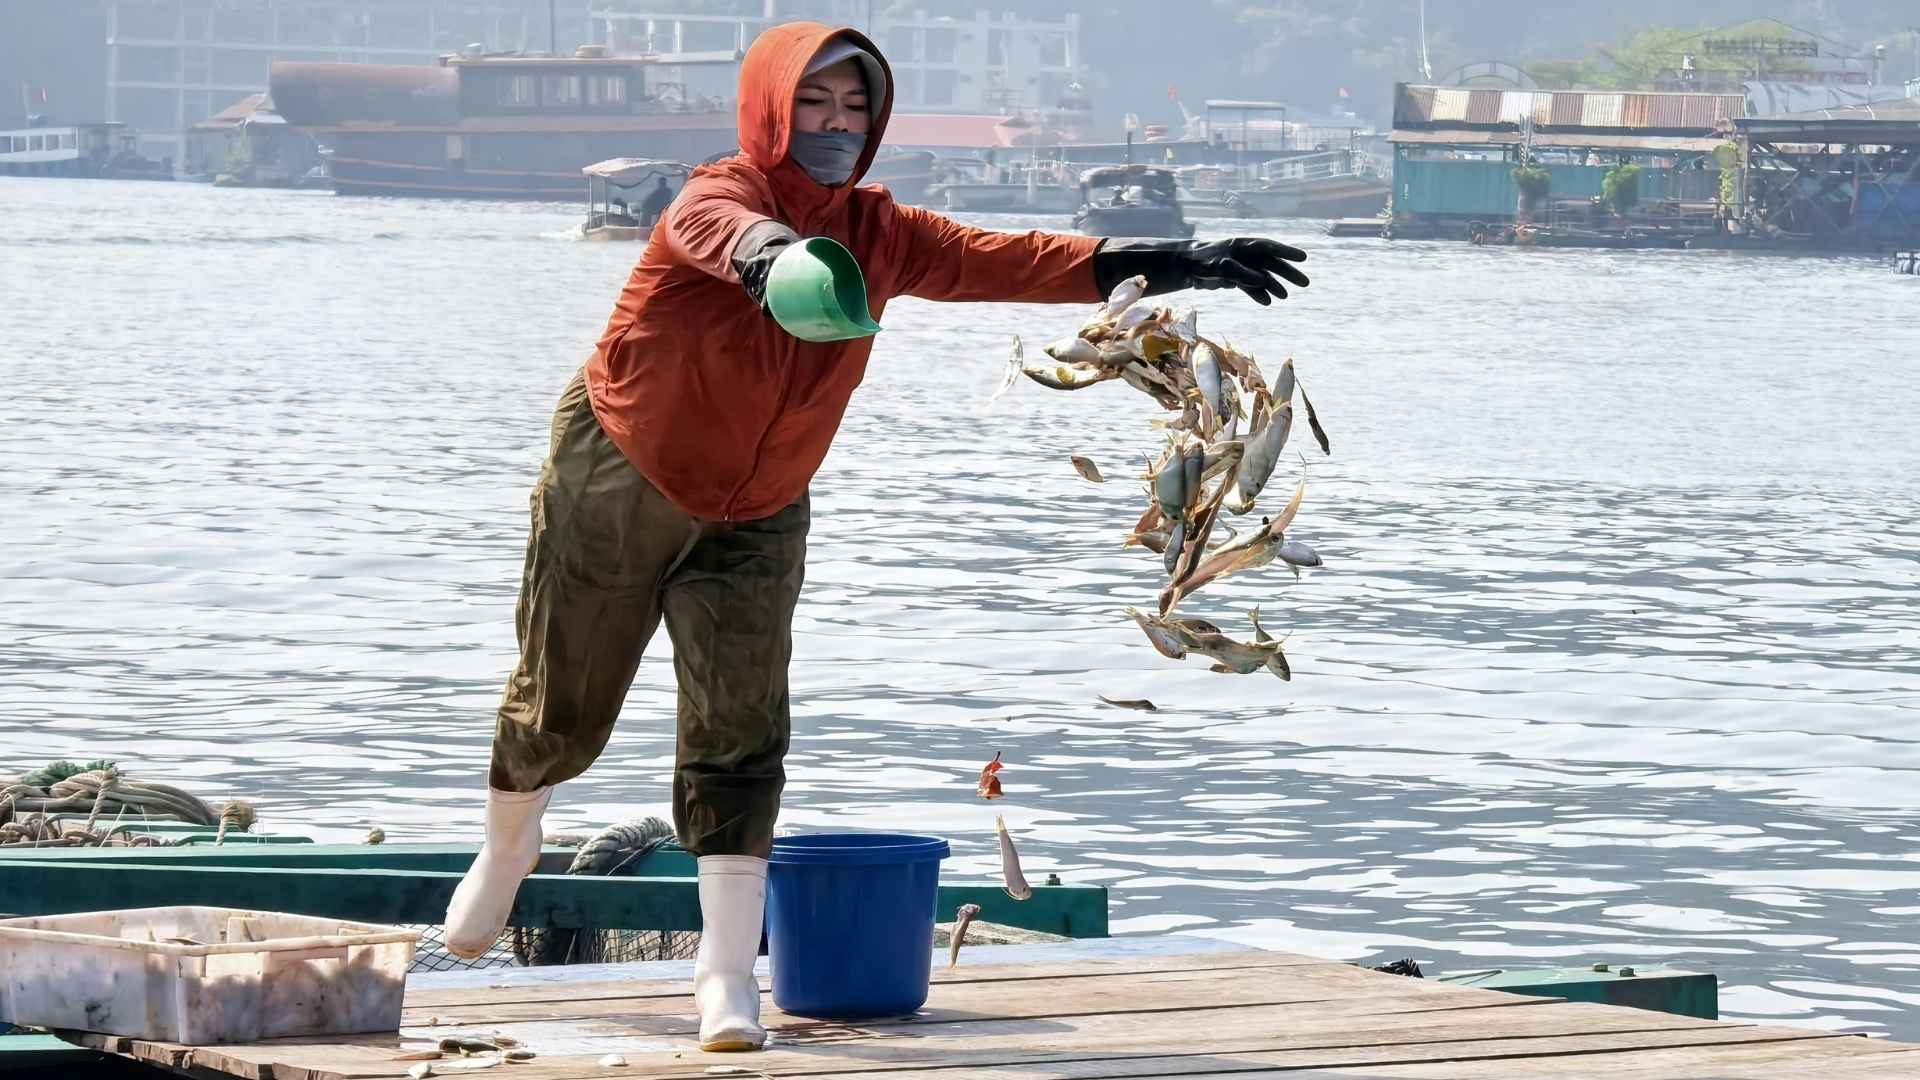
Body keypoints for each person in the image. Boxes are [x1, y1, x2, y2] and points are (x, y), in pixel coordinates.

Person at [441, 21, 1308, 1052]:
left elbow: (1012, 258)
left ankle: (726, 983)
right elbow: (736, 241)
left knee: (742, 728)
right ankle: (508, 845)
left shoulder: (881, 231)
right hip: (623, 468)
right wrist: (780, 266)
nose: (836, 126)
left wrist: (1179, 260)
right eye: (814, 106)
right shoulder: (712, 197)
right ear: (769, 110)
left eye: (855, 108)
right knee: (564, 700)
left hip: (763, 503)